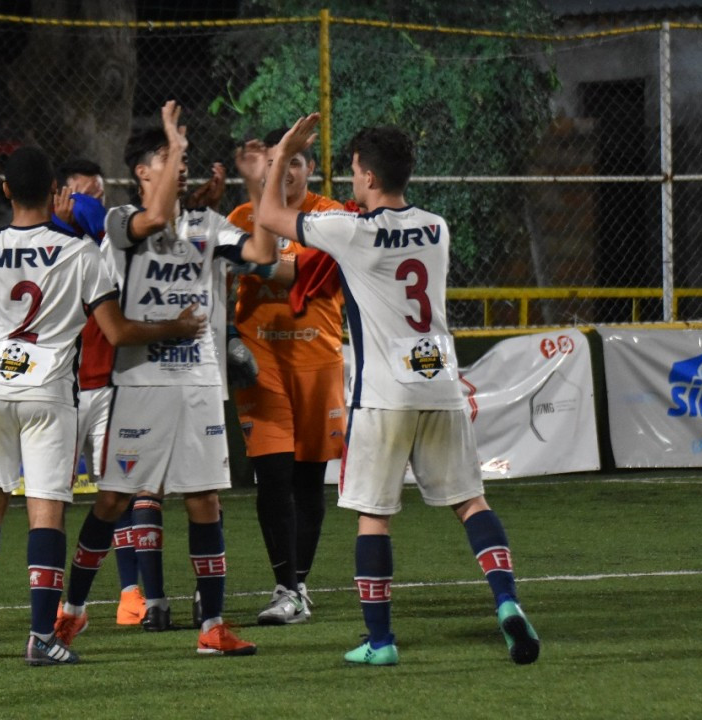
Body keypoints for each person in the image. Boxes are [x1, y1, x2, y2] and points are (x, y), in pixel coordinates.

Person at [0, 147, 205, 666]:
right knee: (46, 513)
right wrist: (175, 328)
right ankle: (41, 638)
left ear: (5, 192)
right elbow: (118, 331)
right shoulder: (80, 253)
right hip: (49, 393)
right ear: (54, 193)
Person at [258, 116, 540, 666]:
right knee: (470, 501)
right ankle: (506, 601)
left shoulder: (351, 230)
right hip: (440, 384)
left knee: (373, 514)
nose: (351, 182)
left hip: (384, 393)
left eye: (354, 172)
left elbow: (270, 216)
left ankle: (381, 642)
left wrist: (283, 154)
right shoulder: (437, 227)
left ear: (365, 175)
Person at [53, 100, 273, 656]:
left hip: (199, 383)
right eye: (166, 157)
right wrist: (175, 141)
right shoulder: (120, 221)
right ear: (144, 172)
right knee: (111, 500)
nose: (179, 163)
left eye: (180, 156)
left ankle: (212, 628)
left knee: (205, 501)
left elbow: (264, 251)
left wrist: (257, 185)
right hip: (142, 385)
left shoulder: (206, 225)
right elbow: (152, 219)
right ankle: (73, 609)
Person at [226, 128, 357, 625]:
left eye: (297, 161)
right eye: (281, 161)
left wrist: (243, 258)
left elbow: (294, 275)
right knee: (272, 479)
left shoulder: (330, 218)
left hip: (317, 364)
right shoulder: (239, 218)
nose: (289, 170)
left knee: (308, 482)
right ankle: (288, 586)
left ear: (309, 170)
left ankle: (297, 584)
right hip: (262, 367)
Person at [51, 157, 147, 627]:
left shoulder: (113, 245)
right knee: (53, 497)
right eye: (84, 193)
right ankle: (54, 594)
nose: (95, 202)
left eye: (99, 194)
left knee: (118, 491)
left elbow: (102, 221)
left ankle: (131, 593)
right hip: (60, 392)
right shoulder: (50, 245)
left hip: (111, 387)